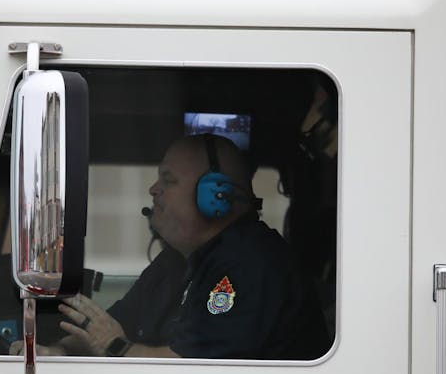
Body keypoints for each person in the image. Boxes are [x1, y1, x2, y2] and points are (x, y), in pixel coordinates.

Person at [35, 132, 330, 359]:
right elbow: (107, 327)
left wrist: (114, 347)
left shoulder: (252, 264)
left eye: (169, 179)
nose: (153, 189)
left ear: (215, 195)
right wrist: (56, 353)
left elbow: (190, 372)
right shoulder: (174, 262)